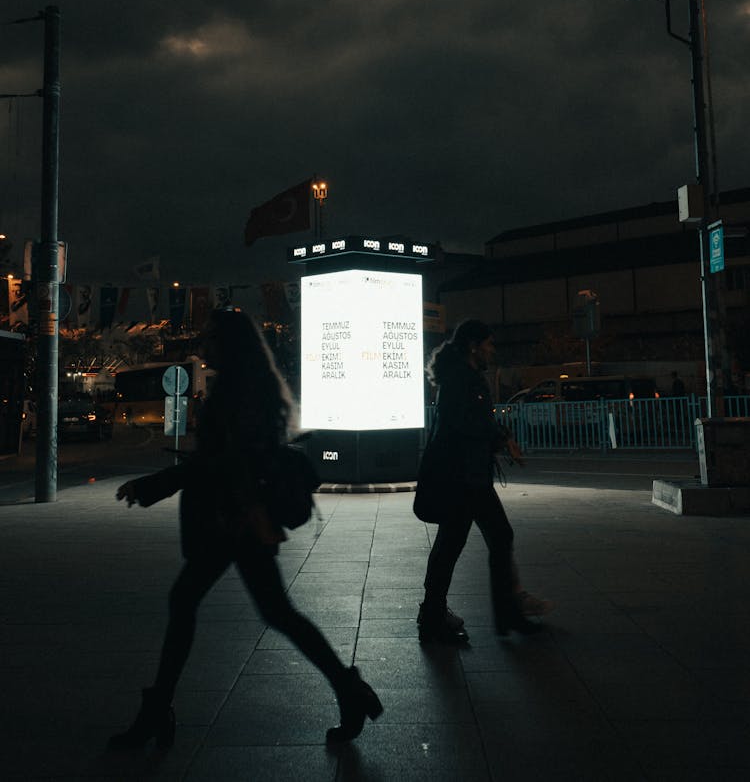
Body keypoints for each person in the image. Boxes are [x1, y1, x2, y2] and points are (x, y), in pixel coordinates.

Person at [108, 307, 382, 751]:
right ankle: (348, 688)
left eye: (211, 337)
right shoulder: (252, 387)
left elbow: (226, 462)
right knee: (271, 611)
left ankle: (158, 711)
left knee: (201, 603)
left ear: (229, 344)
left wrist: (159, 484)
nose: (204, 344)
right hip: (238, 515)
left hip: (232, 518)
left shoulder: (237, 393)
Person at [417, 319, 543, 643]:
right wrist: (501, 438)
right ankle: (445, 616)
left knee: (464, 543)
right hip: (463, 478)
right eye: (488, 343)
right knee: (475, 540)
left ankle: (439, 615)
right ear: (473, 345)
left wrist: (500, 439)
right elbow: (467, 424)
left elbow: (471, 423)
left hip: (466, 476)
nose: (492, 349)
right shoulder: (463, 378)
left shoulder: (460, 376)